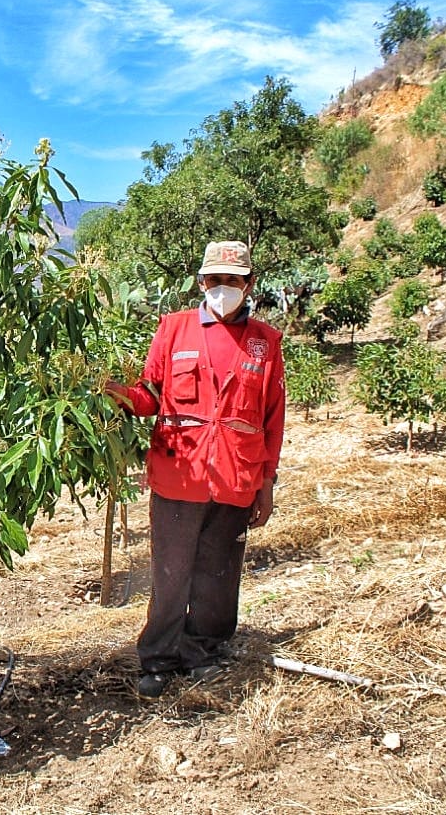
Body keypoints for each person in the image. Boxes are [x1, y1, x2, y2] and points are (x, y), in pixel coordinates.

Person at [106, 241, 285, 698]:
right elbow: (148, 397)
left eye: (233, 280)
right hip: (178, 472)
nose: (223, 288)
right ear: (201, 282)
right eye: (215, 280)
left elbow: (271, 419)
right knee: (171, 572)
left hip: (236, 477)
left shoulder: (267, 343)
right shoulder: (174, 329)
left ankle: (203, 652)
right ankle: (158, 660)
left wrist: (266, 485)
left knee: (219, 574)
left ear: (248, 285)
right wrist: (113, 390)